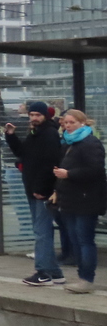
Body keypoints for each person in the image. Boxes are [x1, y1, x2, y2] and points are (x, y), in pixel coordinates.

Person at [5, 101, 64, 286]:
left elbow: (50, 163)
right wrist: (11, 136)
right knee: (41, 230)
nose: (34, 118)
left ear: (45, 115)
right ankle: (55, 273)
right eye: (31, 115)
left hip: (41, 191)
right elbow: (24, 153)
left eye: (38, 115)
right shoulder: (35, 133)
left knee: (42, 232)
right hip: (33, 189)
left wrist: (42, 189)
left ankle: (43, 272)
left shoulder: (49, 134)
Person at [53, 109, 106, 294]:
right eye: (66, 123)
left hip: (86, 199)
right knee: (75, 239)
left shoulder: (90, 143)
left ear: (82, 123)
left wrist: (69, 174)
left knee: (84, 239)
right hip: (69, 198)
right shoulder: (68, 143)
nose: (68, 126)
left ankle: (87, 279)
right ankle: (81, 276)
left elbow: (96, 170)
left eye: (72, 122)